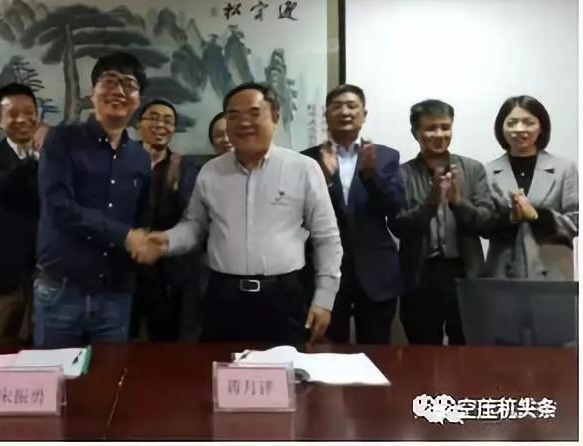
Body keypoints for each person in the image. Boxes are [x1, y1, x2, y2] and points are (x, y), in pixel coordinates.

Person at [134, 83, 343, 344]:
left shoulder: (303, 169)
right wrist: (165, 241)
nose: (244, 123)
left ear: (275, 117)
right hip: (223, 297)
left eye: (254, 113)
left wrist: (324, 298)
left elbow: (327, 238)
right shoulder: (211, 171)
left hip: (283, 297)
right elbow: (195, 226)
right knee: (221, 367)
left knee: (281, 368)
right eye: (234, 115)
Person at [33, 52, 152, 348]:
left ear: (138, 100)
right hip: (61, 290)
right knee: (54, 372)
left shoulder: (139, 156)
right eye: (109, 81)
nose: (119, 91)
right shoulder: (62, 139)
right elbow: (59, 207)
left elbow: (141, 218)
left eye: (129, 85)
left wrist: (148, 242)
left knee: (109, 374)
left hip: (114, 295)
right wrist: (125, 236)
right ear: (92, 93)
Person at [301, 84, 404, 344]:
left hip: (376, 272)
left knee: (376, 352)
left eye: (352, 106)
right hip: (326, 273)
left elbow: (395, 208)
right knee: (327, 352)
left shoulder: (385, 156)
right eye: (337, 106)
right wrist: (324, 180)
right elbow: (299, 217)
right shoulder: (307, 160)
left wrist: (371, 176)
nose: (345, 112)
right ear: (326, 115)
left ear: (364, 114)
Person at [391, 99, 494, 346]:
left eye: (445, 127)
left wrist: (458, 202)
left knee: (466, 349)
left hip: (464, 272)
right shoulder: (401, 174)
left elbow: (486, 223)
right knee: (423, 351)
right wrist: (431, 203)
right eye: (430, 128)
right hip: (420, 275)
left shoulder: (473, 169)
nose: (439, 134)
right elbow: (398, 225)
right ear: (415, 132)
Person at [0, 83, 41, 346]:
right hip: (0, 274)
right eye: (13, 114)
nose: (22, 119)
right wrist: (32, 159)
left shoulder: (55, 156)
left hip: (45, 274)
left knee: (42, 353)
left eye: (29, 112)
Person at [483, 95, 578, 280]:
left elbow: (576, 221)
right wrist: (509, 218)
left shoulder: (564, 168)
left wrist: (538, 217)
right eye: (511, 123)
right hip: (503, 272)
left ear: (541, 127)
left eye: (528, 122)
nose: (519, 129)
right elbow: (483, 226)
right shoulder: (487, 171)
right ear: (501, 128)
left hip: (553, 271)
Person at [129, 99, 201, 342]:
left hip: (167, 270)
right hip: (126, 266)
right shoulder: (122, 158)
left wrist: (175, 188)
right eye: (153, 118)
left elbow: (193, 215)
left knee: (165, 340)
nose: (160, 125)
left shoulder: (184, 166)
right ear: (138, 124)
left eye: (168, 121)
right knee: (121, 340)